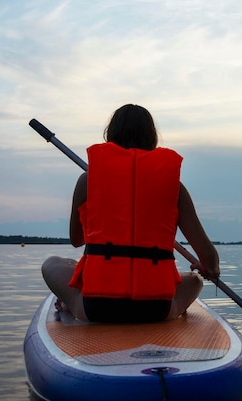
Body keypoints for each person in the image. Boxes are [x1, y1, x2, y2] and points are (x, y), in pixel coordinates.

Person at [42, 104, 220, 323]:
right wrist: (209, 269)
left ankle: (71, 302)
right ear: (152, 136)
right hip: (156, 308)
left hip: (97, 306)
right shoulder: (175, 187)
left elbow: (77, 240)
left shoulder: (87, 181)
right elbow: (209, 257)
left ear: (111, 135)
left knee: (52, 264)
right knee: (195, 281)